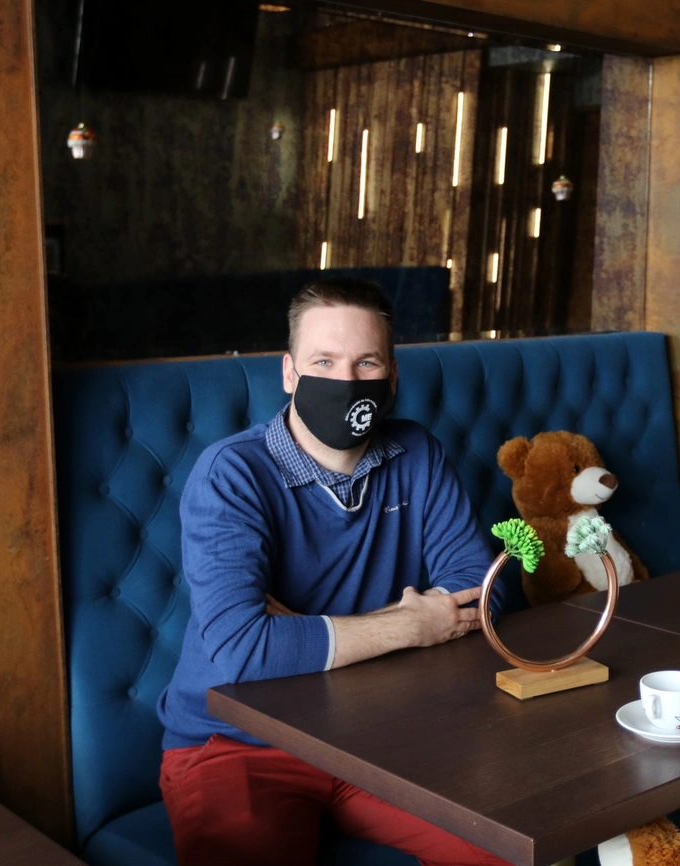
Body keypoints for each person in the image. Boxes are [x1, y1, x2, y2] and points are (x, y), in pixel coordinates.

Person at [157, 279, 509, 866]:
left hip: (379, 734)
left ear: (392, 377)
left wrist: (300, 633)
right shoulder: (232, 473)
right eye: (324, 361)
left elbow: (482, 595)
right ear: (289, 372)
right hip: (238, 746)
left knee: (507, 851)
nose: (346, 380)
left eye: (366, 362)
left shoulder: (417, 453)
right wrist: (410, 624)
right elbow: (243, 650)